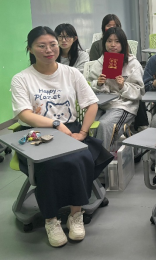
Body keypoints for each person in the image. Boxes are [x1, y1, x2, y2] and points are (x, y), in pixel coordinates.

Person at [11, 26, 112, 248]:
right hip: (37, 133)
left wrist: (82, 132)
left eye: (52, 44)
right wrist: (56, 124)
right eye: (41, 46)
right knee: (48, 164)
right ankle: (51, 220)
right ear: (30, 49)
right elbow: (24, 114)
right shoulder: (22, 78)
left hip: (72, 129)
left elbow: (92, 104)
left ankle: (76, 214)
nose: (49, 50)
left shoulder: (71, 73)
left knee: (79, 158)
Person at [86, 27, 145, 151]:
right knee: (90, 125)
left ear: (123, 44)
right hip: (102, 104)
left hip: (123, 104)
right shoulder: (99, 63)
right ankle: (94, 155)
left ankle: (103, 157)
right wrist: (99, 84)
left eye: (117, 41)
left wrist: (123, 86)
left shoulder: (133, 64)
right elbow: (89, 86)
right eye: (109, 41)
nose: (113, 45)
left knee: (104, 125)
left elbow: (140, 91)